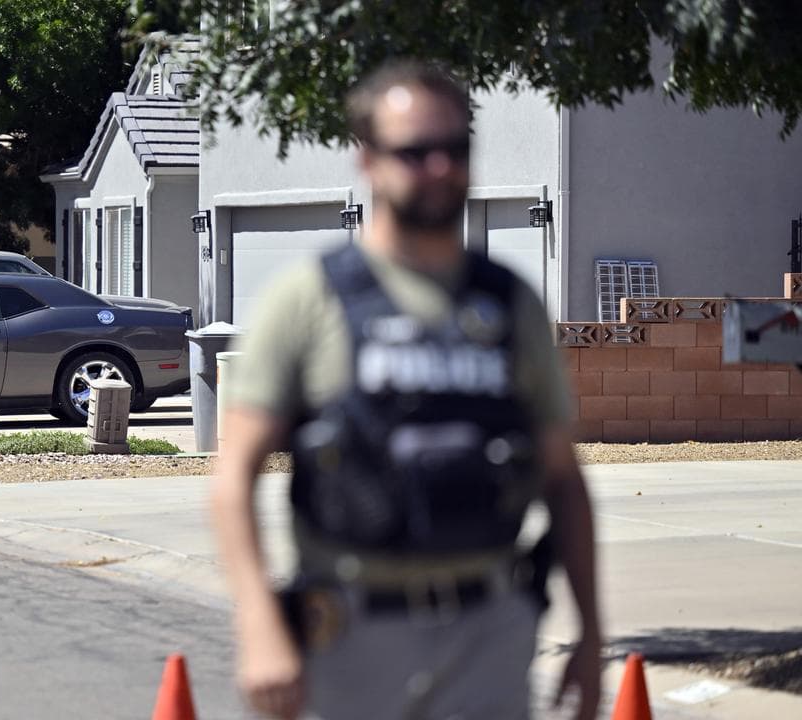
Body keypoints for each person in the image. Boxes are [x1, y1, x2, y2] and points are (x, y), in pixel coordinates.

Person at [211, 61, 601, 720]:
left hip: (491, 628)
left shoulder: (507, 304)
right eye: (415, 152)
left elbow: (564, 478)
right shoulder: (309, 299)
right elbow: (232, 479)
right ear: (368, 159)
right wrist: (258, 625)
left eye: (455, 149)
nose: (440, 168)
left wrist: (592, 633)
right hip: (352, 635)